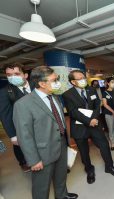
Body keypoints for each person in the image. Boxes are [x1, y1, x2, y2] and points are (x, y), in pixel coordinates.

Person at [12, 66, 78, 199]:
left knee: (61, 176)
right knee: (41, 186)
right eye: (54, 80)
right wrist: (33, 160)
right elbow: (25, 135)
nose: (57, 82)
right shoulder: (23, 104)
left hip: (61, 144)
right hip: (42, 152)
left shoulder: (54, 97)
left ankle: (62, 195)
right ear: (41, 83)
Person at [62, 70, 114, 184]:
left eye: (83, 77)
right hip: (80, 127)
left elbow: (97, 105)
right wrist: (89, 121)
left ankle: (109, 166)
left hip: (95, 125)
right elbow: (73, 112)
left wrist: (94, 119)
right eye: (79, 78)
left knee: (104, 145)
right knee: (84, 152)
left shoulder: (91, 90)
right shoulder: (67, 94)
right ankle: (89, 170)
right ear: (73, 82)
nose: (83, 79)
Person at [0, 63, 33, 172]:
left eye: (16, 74)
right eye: (9, 75)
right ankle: (23, 162)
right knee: (20, 147)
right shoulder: (5, 92)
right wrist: (13, 136)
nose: (12, 77)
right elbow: (6, 115)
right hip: (21, 128)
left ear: (25, 75)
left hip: (40, 125)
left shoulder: (37, 85)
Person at [102, 77, 114, 150]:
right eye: (112, 82)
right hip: (109, 113)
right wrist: (113, 111)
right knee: (111, 129)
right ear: (108, 83)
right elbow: (105, 104)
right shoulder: (105, 92)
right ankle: (112, 143)